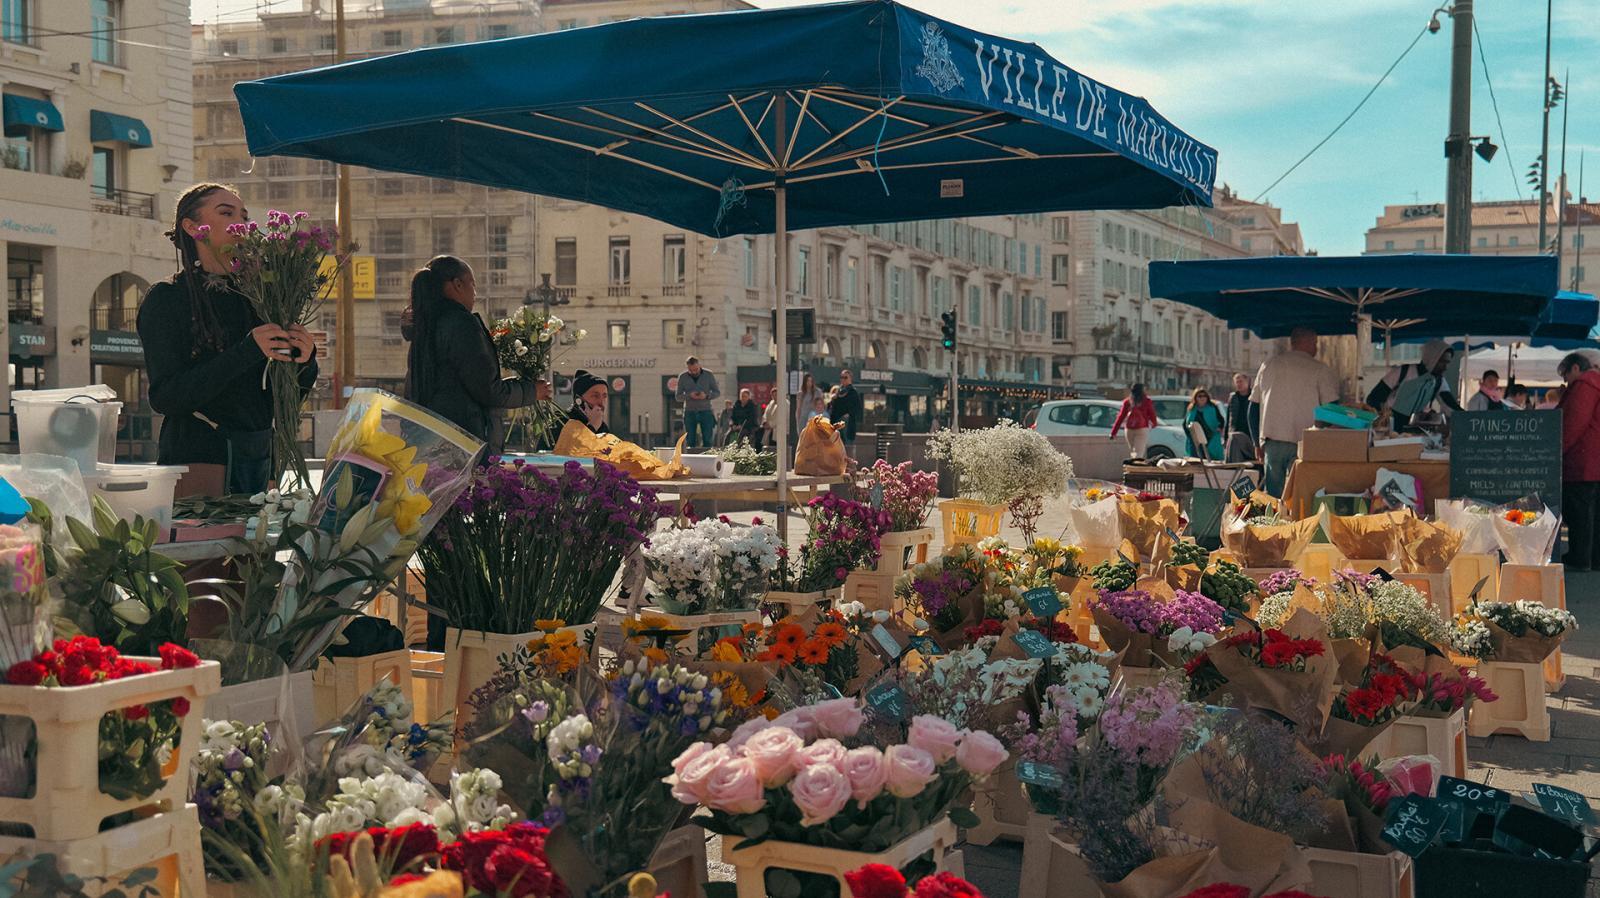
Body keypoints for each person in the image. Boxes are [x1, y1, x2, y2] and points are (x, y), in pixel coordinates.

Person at [138, 183, 318, 495]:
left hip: (262, 462)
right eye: (226, 213)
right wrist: (247, 350)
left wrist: (305, 359)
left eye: (245, 217)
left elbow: (280, 396)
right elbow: (166, 396)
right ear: (192, 227)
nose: (242, 224)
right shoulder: (167, 299)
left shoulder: (261, 297)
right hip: (200, 462)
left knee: (262, 546)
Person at [404, 255, 549, 458]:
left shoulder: (425, 325)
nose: (475, 293)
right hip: (465, 444)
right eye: (473, 284)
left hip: (431, 440)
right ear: (457, 285)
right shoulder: (460, 324)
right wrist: (531, 391)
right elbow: (488, 390)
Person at [1251, 326, 1341, 497]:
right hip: (1305, 442)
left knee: (1273, 498)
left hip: (1273, 441)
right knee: (1301, 495)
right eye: (1315, 343)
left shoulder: (1268, 365)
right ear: (1306, 342)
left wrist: (1256, 442)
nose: (1316, 347)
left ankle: (1274, 523)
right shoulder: (1319, 369)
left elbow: (1253, 407)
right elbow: (1331, 408)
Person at [1558, 352, 1600, 570]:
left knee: (1579, 513)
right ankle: (1593, 559)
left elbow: (1574, 424)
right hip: (1595, 461)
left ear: (1575, 368)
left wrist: (1557, 451)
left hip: (1582, 461)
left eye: (1565, 374)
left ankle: (1580, 558)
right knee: (1593, 515)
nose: (1565, 381)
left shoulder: (1585, 384)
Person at [1365, 339, 1461, 432]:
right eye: (1442, 362)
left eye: (1448, 362)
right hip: (1389, 428)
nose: (1446, 367)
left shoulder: (1439, 381)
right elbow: (1373, 398)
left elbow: (1450, 405)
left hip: (1414, 430)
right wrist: (1383, 417)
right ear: (1432, 358)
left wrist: (1468, 417)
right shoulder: (1403, 372)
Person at [676, 356, 721, 451]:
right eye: (691, 370)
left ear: (699, 365)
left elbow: (717, 392)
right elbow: (678, 396)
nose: (694, 372)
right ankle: (691, 461)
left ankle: (708, 460)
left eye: (696, 369)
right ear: (687, 368)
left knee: (707, 439)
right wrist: (689, 395)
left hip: (706, 410)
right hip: (689, 411)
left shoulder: (709, 374)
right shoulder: (683, 377)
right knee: (690, 439)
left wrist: (706, 396)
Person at [1109, 383, 1158, 459]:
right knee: (1139, 452)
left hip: (1129, 429)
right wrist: (1154, 424)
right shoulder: (1147, 401)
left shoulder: (1127, 402)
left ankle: (1133, 466)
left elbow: (1120, 417)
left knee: (1133, 452)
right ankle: (1136, 468)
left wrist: (1113, 433)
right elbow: (1152, 414)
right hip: (1142, 428)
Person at [1224, 372, 1259, 462]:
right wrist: (1225, 438)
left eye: (1241, 381)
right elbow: (1228, 418)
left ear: (1248, 382)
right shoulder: (1233, 397)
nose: (1239, 384)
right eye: (1237, 382)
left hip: (1249, 434)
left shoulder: (1254, 397)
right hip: (1235, 432)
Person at [1183, 387, 1225, 459]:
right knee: (1196, 459)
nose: (1202, 398)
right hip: (1195, 439)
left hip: (1210, 437)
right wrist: (1190, 436)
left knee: (1211, 457)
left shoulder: (1212, 407)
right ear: (1195, 398)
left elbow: (1221, 420)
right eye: (1200, 396)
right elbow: (1185, 423)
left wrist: (1219, 428)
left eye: (1204, 396)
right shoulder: (1192, 408)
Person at [566, 370, 609, 435]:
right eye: (595, 396)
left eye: (604, 396)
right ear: (578, 399)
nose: (601, 402)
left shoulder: (602, 427)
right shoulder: (562, 421)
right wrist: (592, 427)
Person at [828, 369, 865, 445]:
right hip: (836, 423)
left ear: (850, 379)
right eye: (841, 377)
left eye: (845, 377)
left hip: (847, 425)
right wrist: (833, 400)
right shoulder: (838, 391)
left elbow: (858, 409)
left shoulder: (853, 392)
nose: (843, 379)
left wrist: (848, 414)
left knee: (846, 447)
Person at [794, 372, 823, 439]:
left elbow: (821, 405)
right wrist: (798, 420)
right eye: (808, 381)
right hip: (803, 417)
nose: (809, 383)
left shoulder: (817, 392)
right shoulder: (800, 394)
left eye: (811, 381)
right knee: (803, 437)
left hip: (813, 417)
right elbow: (798, 408)